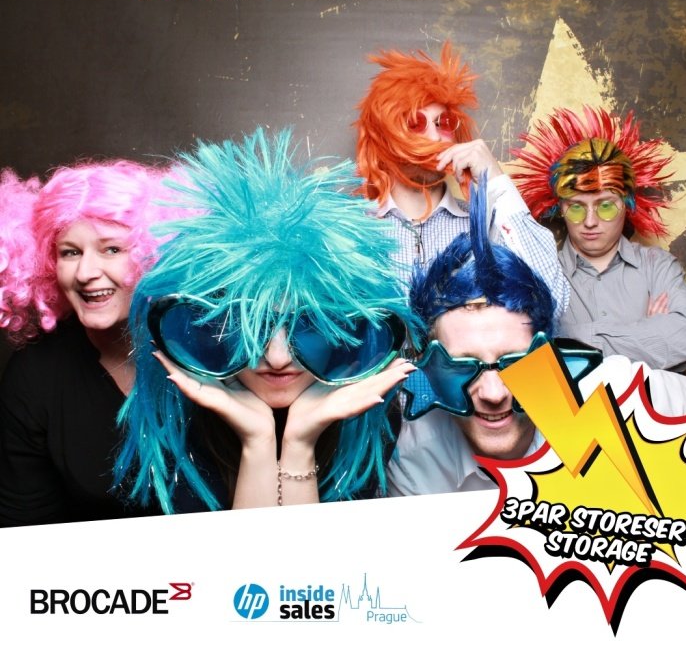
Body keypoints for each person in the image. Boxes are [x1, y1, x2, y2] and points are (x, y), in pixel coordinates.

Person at [116, 129, 419, 512]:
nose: (277, 358)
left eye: (307, 325)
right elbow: (251, 556)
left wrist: (300, 444)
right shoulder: (177, 420)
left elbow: (312, 556)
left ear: (343, 327)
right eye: (253, 323)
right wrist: (257, 443)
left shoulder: (368, 411)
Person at [386, 177, 686, 496]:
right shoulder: (415, 460)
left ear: (549, 356)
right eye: (462, 365)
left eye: (514, 362)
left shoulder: (615, 396)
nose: (493, 393)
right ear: (430, 369)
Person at [0, 160, 172, 525]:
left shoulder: (209, 350)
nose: (85, 273)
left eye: (112, 250)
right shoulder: (35, 375)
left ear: (154, 253)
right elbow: (23, 529)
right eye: (70, 252)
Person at [353, 41, 569, 323]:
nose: (434, 137)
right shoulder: (353, 230)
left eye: (442, 123)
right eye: (415, 123)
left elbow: (553, 304)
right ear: (384, 135)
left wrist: (496, 182)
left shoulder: (485, 225)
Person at [511, 105, 686, 372]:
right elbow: (526, 350)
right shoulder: (543, 274)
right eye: (576, 207)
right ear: (560, 209)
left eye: (605, 206)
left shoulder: (657, 266)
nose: (590, 221)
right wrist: (648, 334)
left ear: (627, 205)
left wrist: (568, 339)